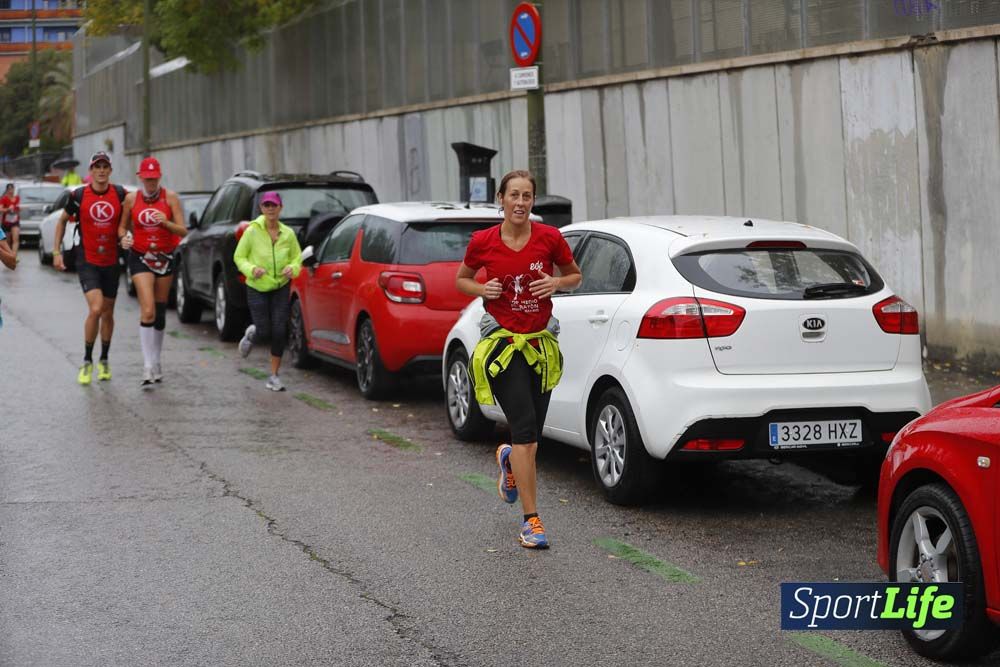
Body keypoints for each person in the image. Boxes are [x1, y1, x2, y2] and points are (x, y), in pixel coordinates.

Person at [456, 170, 582, 549]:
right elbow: (462, 279)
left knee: (532, 437)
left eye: (527, 196)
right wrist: (482, 287)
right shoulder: (483, 242)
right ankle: (532, 522)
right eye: (514, 195)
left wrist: (556, 283)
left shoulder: (550, 238)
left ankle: (510, 461)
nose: (521, 203)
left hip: (541, 345)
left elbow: (575, 275)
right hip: (502, 346)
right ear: (501, 198)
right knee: (525, 430)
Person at [54, 152, 128, 385]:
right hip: (87, 260)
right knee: (96, 309)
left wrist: (127, 236)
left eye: (105, 166)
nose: (102, 170)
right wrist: (56, 252)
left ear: (110, 170)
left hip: (112, 261)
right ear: (91, 171)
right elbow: (61, 220)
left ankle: (104, 359)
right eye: (98, 167)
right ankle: (87, 361)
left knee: (108, 312)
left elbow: (130, 219)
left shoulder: (120, 194)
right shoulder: (78, 195)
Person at [119, 157, 187, 387]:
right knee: (147, 309)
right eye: (147, 179)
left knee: (158, 312)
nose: (150, 182)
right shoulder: (131, 199)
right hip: (140, 256)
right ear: (141, 177)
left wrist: (166, 223)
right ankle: (147, 365)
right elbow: (122, 226)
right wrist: (124, 238)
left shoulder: (171, 198)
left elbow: (183, 230)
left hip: (164, 257)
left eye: (154, 178)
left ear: (159, 177)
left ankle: (157, 361)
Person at [233, 191, 303, 391]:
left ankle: (274, 376)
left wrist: (293, 268)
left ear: (281, 208)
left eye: (274, 205)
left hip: (281, 285)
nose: (270, 209)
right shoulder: (252, 231)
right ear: (261, 209)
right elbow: (239, 257)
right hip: (257, 286)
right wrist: (251, 270)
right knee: (264, 331)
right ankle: (252, 334)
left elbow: (297, 258)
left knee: (280, 330)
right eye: (267, 205)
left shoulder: (288, 234)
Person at [0, 183, 20, 259]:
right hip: (6, 222)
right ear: (7, 190)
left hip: (15, 221)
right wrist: (7, 209)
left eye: (12, 189)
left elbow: (18, 207)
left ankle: (14, 256)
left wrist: (18, 209)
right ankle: (10, 256)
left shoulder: (17, 198)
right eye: (9, 189)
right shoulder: (4, 199)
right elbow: (0, 209)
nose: (11, 191)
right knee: (8, 241)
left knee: (16, 239)